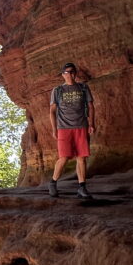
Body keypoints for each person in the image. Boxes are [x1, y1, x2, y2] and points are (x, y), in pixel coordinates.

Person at [48, 62, 95, 199]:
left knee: (82, 157)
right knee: (64, 157)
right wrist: (53, 128)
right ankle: (53, 182)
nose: (71, 74)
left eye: (73, 72)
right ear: (63, 75)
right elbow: (51, 111)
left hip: (81, 126)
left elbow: (91, 107)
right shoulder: (57, 90)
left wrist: (91, 123)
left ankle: (82, 187)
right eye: (68, 72)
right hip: (64, 128)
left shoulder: (83, 88)